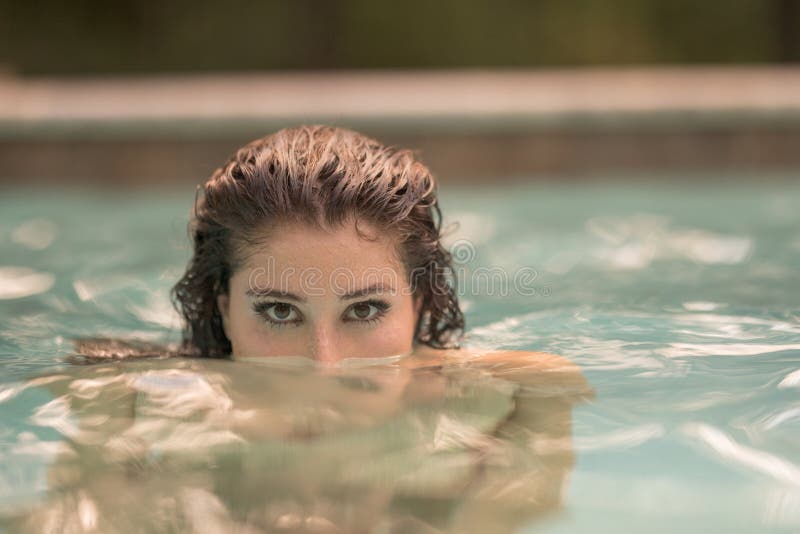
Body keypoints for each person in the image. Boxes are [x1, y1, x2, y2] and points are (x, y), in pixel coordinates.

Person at [10, 125, 593, 533]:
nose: (324, 364)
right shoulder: (123, 400)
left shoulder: (519, 399)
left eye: (364, 311)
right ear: (224, 308)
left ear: (416, 303)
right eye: (280, 312)